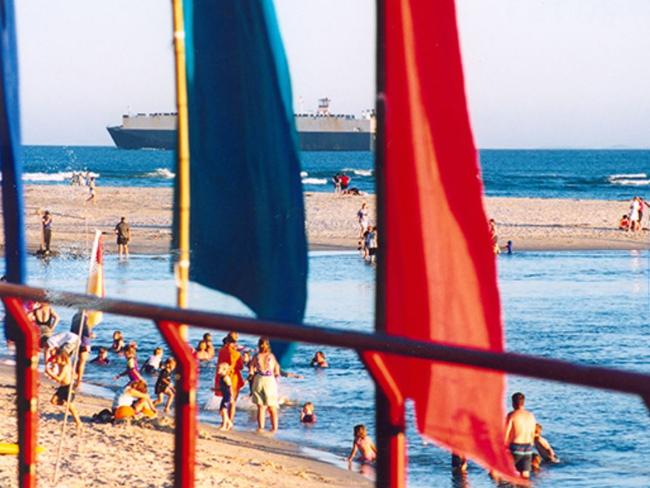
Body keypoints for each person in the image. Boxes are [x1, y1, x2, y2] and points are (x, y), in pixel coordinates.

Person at [249, 336, 280, 432]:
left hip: (259, 379)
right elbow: (277, 371)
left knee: (261, 407)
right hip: (269, 380)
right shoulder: (271, 356)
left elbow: (251, 370)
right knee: (271, 407)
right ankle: (274, 428)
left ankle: (261, 428)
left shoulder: (256, 356)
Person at [45, 349, 82, 431]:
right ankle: (66, 404)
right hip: (62, 387)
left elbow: (59, 379)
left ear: (62, 358)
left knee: (71, 408)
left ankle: (78, 422)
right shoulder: (61, 365)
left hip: (68, 387)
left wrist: (50, 373)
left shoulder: (65, 367)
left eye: (57, 359)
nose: (56, 360)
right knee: (53, 401)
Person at [504, 392, 537, 479]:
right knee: (525, 477)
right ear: (523, 402)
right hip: (528, 448)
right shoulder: (531, 416)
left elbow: (506, 434)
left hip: (515, 447)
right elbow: (532, 434)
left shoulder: (512, 415)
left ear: (513, 403)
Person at [216, 332, 245, 422]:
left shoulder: (221, 350)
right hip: (233, 377)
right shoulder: (235, 353)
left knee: (225, 398)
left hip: (222, 376)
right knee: (232, 401)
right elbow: (240, 367)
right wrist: (243, 359)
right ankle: (230, 420)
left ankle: (224, 420)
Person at [69, 311, 95, 387]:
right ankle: (78, 381)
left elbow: (72, 329)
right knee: (82, 362)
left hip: (74, 339)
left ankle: (73, 377)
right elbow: (86, 332)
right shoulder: (85, 318)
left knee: (75, 360)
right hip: (84, 341)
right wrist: (91, 335)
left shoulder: (75, 316)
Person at [216, 362, 234, 431]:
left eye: (219, 368)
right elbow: (223, 388)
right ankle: (229, 423)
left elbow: (230, 387)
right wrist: (216, 389)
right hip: (224, 396)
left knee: (224, 410)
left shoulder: (226, 378)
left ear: (224, 370)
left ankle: (224, 425)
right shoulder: (221, 377)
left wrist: (232, 397)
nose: (217, 369)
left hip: (227, 396)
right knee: (221, 411)